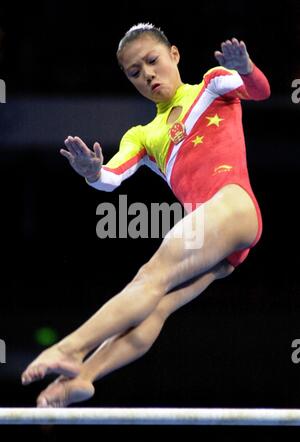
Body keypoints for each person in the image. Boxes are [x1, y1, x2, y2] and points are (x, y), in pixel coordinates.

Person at [21, 23, 270, 407]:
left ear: (174, 55)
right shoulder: (143, 135)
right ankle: (83, 377)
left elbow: (259, 92)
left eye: (153, 61)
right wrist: (92, 172)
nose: (148, 75)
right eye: (135, 72)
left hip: (233, 203)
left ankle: (71, 348)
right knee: (157, 304)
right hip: (218, 236)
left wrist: (247, 67)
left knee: (150, 277)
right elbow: (111, 176)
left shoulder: (212, 85)